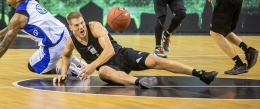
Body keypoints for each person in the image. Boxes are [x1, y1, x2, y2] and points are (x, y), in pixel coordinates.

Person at [53, 12, 218, 89]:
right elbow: (65, 55)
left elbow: (109, 51)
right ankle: (140, 82)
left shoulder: (94, 26)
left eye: (82, 22)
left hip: (122, 55)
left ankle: (201, 74)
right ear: (70, 27)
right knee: (103, 72)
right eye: (77, 25)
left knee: (156, 60)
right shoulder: (71, 41)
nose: (81, 26)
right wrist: (63, 73)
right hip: (109, 68)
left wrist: (91, 66)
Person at [0, 0, 85, 76]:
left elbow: (4, 46)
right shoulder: (30, 1)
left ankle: (71, 70)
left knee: (32, 66)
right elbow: (13, 25)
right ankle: (75, 61)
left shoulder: (17, 18)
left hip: (53, 45)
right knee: (57, 49)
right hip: (63, 31)